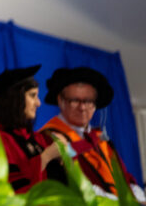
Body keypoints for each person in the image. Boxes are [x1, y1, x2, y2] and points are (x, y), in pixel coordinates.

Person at [40, 67, 146, 201]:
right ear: (61, 101)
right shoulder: (49, 138)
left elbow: (125, 177)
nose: (82, 107)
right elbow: (70, 185)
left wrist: (140, 198)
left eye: (88, 101)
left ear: (95, 105)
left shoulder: (101, 140)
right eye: (75, 100)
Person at [0, 65, 66, 194]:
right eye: (33, 95)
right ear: (15, 98)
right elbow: (10, 190)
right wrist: (46, 156)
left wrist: (65, 155)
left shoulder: (39, 138)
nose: (38, 103)